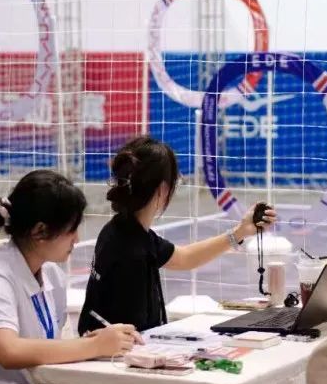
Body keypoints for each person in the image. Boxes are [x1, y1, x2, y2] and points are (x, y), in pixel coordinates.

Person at [78, 136, 277, 335]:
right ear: (163, 189)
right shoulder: (133, 250)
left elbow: (184, 257)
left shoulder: (123, 230)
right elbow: (135, 336)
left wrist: (241, 231)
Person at [0, 170, 141, 384]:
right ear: (40, 231)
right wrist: (93, 347)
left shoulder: (51, 272)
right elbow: (9, 351)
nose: (77, 239)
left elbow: (43, 345)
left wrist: (95, 341)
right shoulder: (1, 273)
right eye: (71, 229)